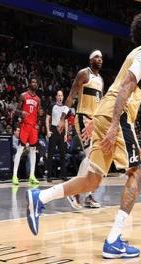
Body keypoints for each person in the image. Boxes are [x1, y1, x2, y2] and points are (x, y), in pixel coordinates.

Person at [26, 10, 141, 259]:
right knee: (136, 173)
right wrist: (112, 125)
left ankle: (40, 197)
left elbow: (115, 88)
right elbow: (125, 86)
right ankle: (113, 240)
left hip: (104, 114)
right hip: (117, 116)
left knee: (92, 180)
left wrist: (99, 119)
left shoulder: (140, 55)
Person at [63, 50, 104, 209]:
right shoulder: (84, 74)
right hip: (83, 118)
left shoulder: (100, 79)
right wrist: (62, 117)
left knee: (95, 159)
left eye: (101, 57)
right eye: (96, 57)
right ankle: (74, 192)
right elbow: (71, 95)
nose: (99, 59)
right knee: (91, 155)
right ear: (90, 59)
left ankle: (87, 195)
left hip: (95, 121)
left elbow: (100, 103)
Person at [12, 78, 41, 186]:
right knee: (20, 149)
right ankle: (14, 176)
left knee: (33, 150)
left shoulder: (38, 99)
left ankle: (32, 176)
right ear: (29, 84)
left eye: (36, 82)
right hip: (25, 126)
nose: (35, 84)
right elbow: (16, 110)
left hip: (33, 127)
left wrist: (38, 122)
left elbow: (38, 113)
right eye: (33, 82)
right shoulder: (23, 95)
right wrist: (21, 113)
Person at [46, 90, 69, 182]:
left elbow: (66, 121)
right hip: (54, 130)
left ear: (63, 97)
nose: (60, 97)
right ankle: (49, 175)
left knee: (63, 154)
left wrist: (66, 134)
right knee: (50, 154)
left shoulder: (65, 108)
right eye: (58, 95)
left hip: (62, 132)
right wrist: (48, 131)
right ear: (56, 97)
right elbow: (47, 119)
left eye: (61, 95)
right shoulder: (52, 105)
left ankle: (63, 175)